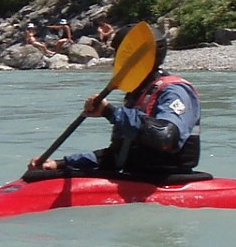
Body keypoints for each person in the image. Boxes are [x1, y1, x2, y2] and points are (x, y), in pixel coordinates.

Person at [29, 25, 201, 177]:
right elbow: (117, 156)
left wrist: (110, 112)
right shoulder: (137, 94)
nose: (115, 63)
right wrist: (61, 164)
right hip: (134, 175)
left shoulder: (174, 90)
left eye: (119, 56)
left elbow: (165, 137)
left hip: (166, 179)